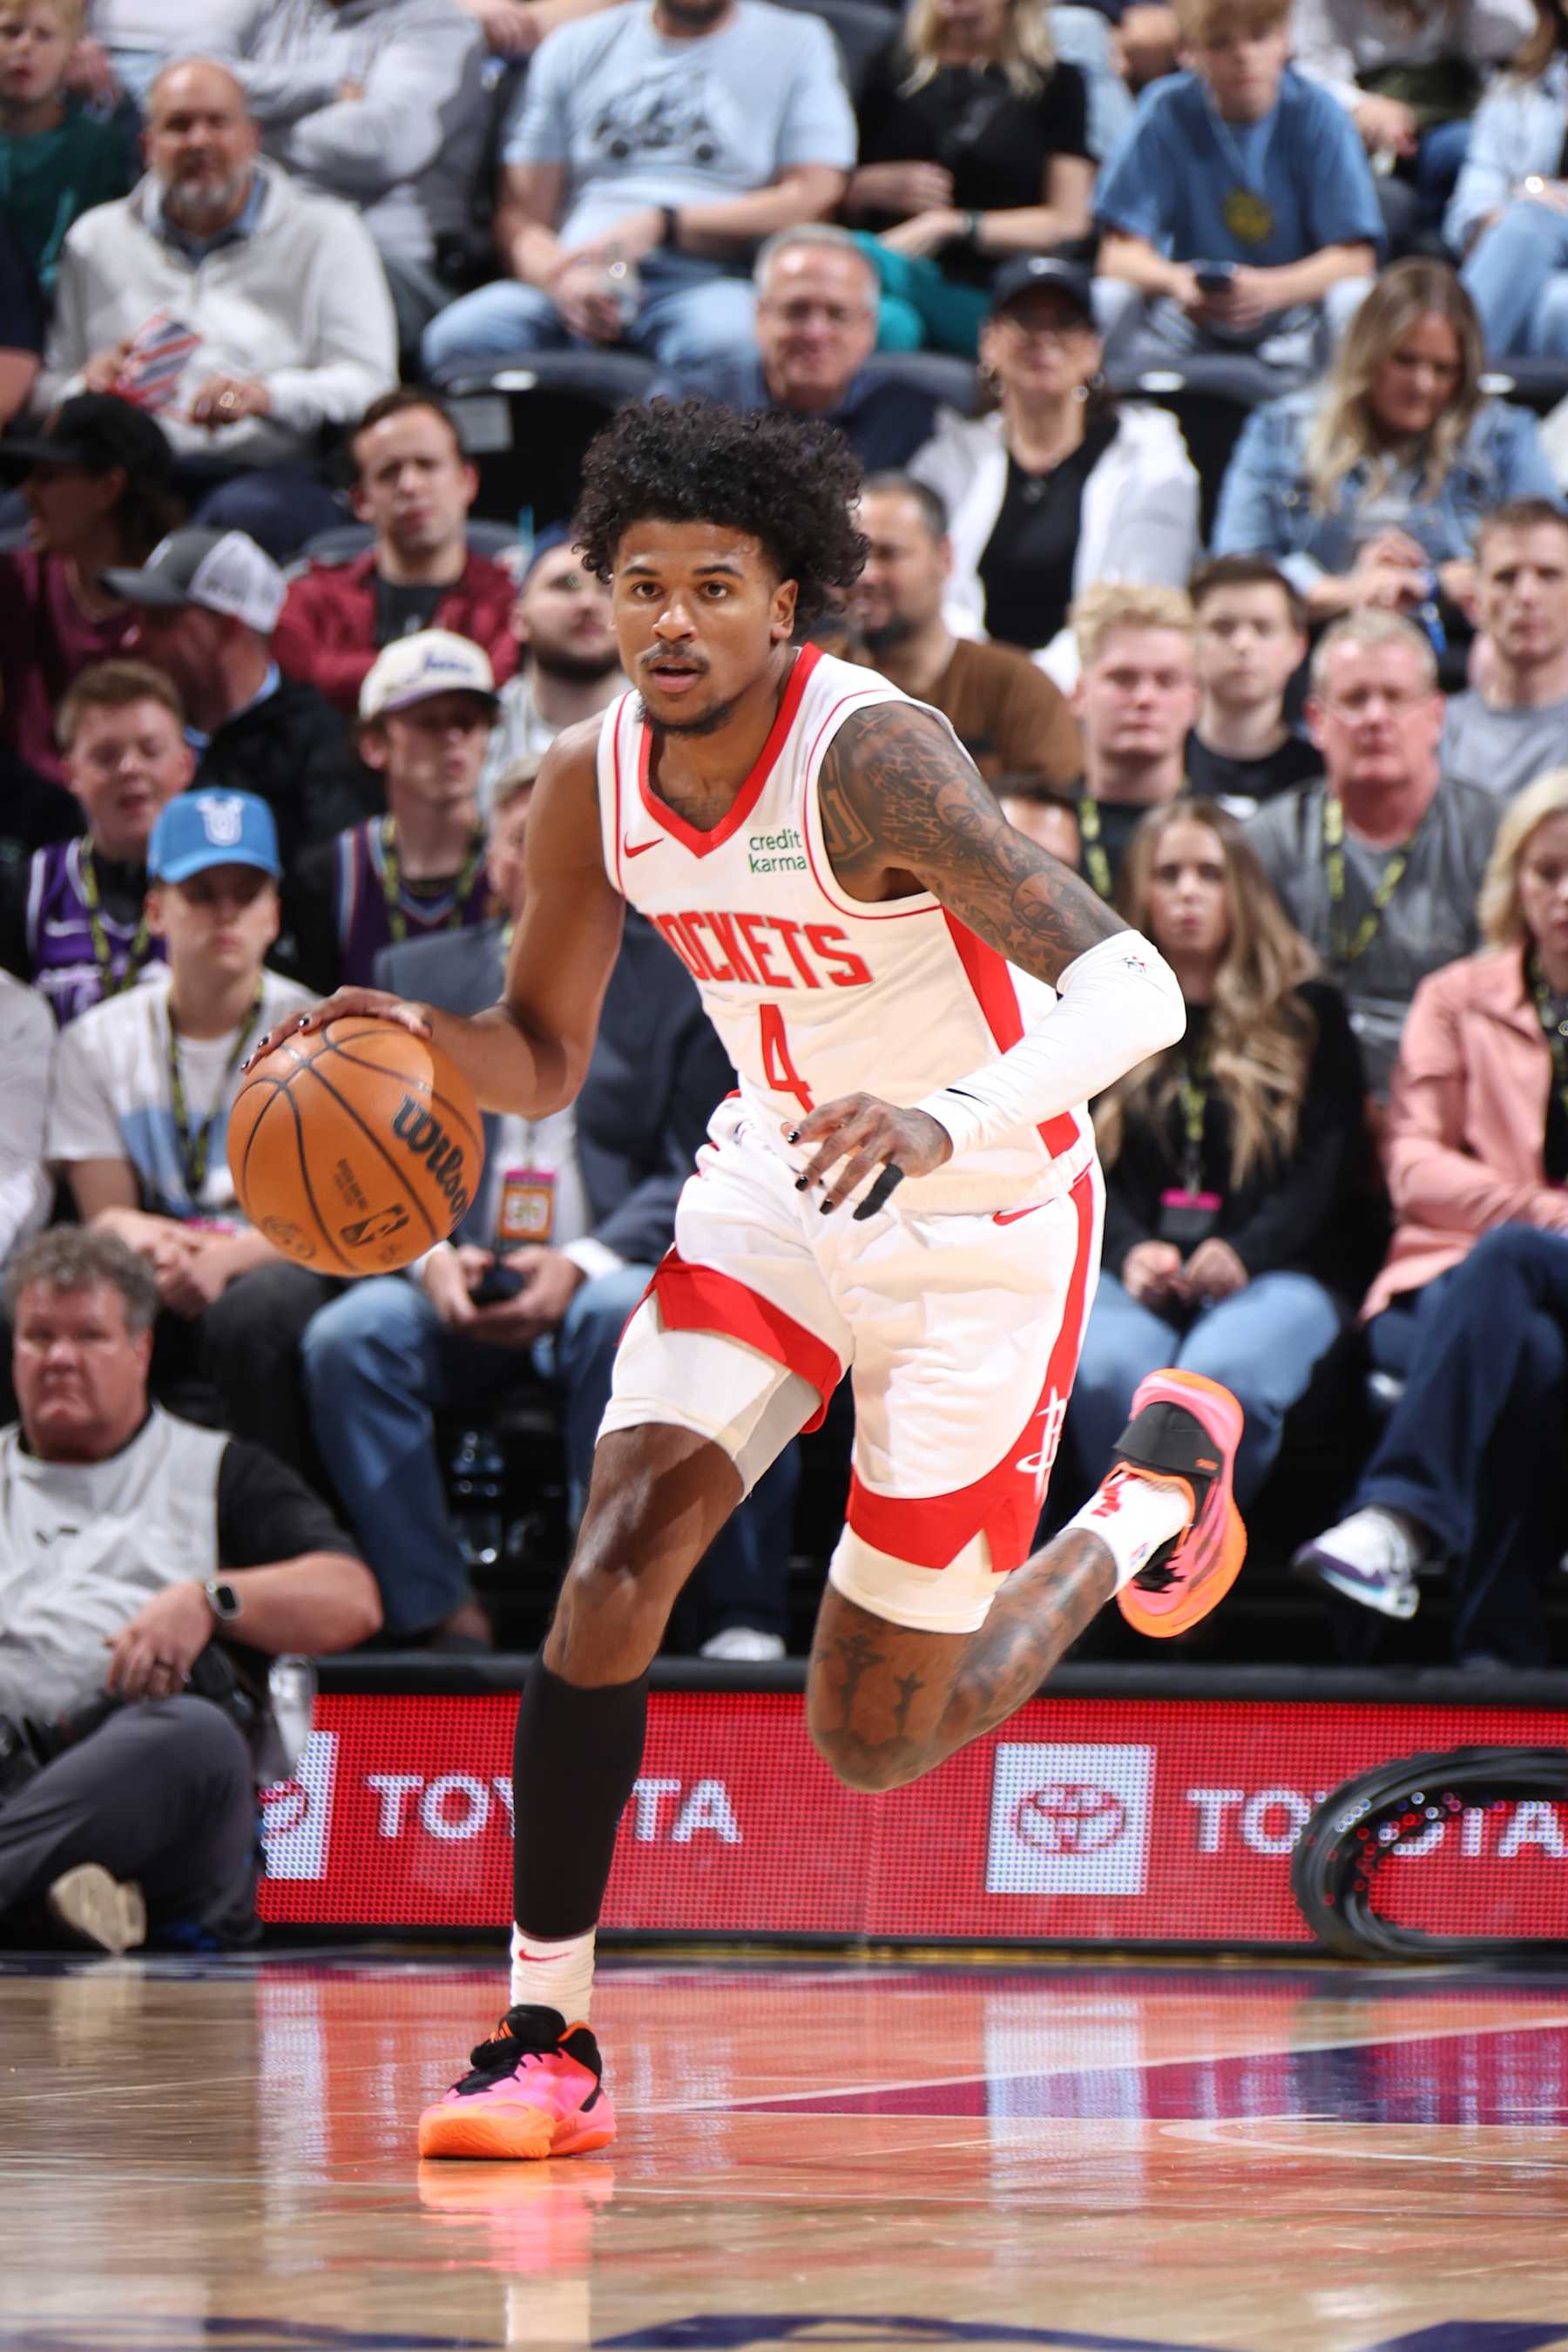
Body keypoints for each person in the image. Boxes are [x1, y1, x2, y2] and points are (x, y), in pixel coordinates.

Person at [272, 395, 1246, 2161]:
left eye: (712, 587)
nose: (667, 621)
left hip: (987, 1215)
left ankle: (1143, 1508)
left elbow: (1133, 993)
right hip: (780, 1187)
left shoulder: (874, 760)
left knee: (875, 1739)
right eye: (639, 584)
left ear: (787, 605)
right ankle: (542, 2039)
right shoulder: (593, 787)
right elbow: (545, 1054)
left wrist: (945, 1119)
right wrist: (420, 1043)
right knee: (615, 1556)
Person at [300, 759, 798, 1658]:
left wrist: (585, 1263)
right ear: (487, 861)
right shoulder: (412, 974)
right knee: (350, 1339)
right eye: (516, 842)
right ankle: (440, 1618)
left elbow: (704, 1156)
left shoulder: (684, 982)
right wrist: (429, 1253)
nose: (536, 863)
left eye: (562, 843)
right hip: (450, 1265)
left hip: (605, 1268)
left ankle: (596, 1611)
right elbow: (365, 1150)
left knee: (623, 1318)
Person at [0, 1226, 379, 1955]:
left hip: (141, 1777)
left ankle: (56, 1890)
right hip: (13, 1767)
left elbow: (352, 1598)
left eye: (88, 1336)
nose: (59, 1359)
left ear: (142, 1349)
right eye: (38, 1337)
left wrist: (210, 1601)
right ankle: (53, 1896)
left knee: (198, 1739)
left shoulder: (219, 1471)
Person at [1294, 769, 1568, 1667]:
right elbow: (1411, 1167)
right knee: (1528, 1353)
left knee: (1522, 1270)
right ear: (1515, 887)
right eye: (1546, 873)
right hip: (1445, 1284)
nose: (1563, 896)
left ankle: (1401, 1522)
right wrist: (1539, 1216)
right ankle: (1498, 1648)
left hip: (1526, 1268)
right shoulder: (1457, 996)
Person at [1069, 801, 1363, 1506]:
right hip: (1134, 1267)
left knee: (1211, 1381)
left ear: (1245, 892)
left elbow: (1323, 1170)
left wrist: (1244, 1252)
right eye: (1169, 874)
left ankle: (1186, 1577)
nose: (1189, 891)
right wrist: (1132, 1251)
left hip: (1280, 1268)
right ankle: (1136, 1577)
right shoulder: (1097, 1010)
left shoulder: (1309, 1012)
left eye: (1210, 873)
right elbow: (1074, 1159)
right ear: (1140, 891)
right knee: (1110, 1374)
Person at [46, 788, 331, 1477]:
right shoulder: (97, 1040)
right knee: (54, 1305)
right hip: (154, 1258)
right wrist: (162, 1244)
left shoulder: (325, 1036)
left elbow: (335, 1219)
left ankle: (274, 1526)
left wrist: (225, 1261)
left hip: (276, 1257)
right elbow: (106, 1210)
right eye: (201, 892)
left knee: (249, 1319)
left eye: (246, 892)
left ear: (275, 913)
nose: (226, 912)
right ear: (156, 910)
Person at [37, 57, 396, 559]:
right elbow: (47, 388)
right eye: (178, 125)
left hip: (264, 470)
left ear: (251, 138)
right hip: (121, 477)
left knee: (239, 523)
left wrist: (264, 396)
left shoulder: (327, 233)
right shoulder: (95, 240)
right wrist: (88, 388)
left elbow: (369, 383)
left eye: (217, 123)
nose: (199, 140)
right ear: (147, 147)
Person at [419, 0, 856, 382]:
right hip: (578, 272)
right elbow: (519, 216)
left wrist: (665, 224)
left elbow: (814, 195)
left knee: (732, 346)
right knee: (457, 340)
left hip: (706, 279)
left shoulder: (796, 41)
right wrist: (561, 278)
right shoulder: (576, 44)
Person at [1211, 261, 1560, 631]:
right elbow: (1237, 568)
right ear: (1368, 353)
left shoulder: (1504, 436)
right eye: (1405, 361)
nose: (1422, 384)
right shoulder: (1281, 430)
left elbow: (1548, 559)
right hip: (1313, 640)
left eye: (1442, 369)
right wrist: (1347, 590)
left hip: (1463, 642)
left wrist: (1429, 584)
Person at [909, 255, 1200, 687]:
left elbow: (1141, 596)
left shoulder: (1153, 456)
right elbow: (926, 586)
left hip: (1091, 690)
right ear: (989, 342)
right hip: (961, 688)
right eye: (1024, 321)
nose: (1044, 339)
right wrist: (985, 678)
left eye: (1065, 323)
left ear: (1094, 350)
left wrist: (1038, 688)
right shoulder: (949, 455)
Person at [1247, 611, 1498, 1098]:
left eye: (1396, 697)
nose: (1376, 718)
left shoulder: (1494, 835)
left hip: (1458, 1089)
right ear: (1317, 720)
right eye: (1355, 699)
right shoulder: (1268, 840)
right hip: (1306, 1093)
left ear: (1436, 716)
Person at [1092, 0, 1382, 393]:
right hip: (1190, 316)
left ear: (1285, 39)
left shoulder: (1319, 112)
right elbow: (1118, 256)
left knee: (1354, 300)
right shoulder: (1165, 109)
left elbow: (1355, 259)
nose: (1243, 56)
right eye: (1220, 43)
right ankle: (1107, 436)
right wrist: (1179, 281)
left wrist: (1270, 289)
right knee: (1107, 298)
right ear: (1188, 52)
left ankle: (1341, 438)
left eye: (1258, 37)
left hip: (1292, 319)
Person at [220, 0, 489, 366]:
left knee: (257, 331)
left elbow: (379, 145)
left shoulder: (438, 25)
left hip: (391, 259)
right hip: (262, 242)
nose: (204, 137)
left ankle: (246, 401)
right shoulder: (271, 10)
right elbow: (187, 76)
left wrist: (246, 134)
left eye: (219, 127)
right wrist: (327, 90)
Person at [102, 526, 375, 868]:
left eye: (160, 620)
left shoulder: (317, 743)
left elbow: (332, 881)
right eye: (135, 617)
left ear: (230, 627)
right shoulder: (131, 735)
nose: (132, 637)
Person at [842, 0, 1093, 359]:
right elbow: (834, 188)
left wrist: (952, 225)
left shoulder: (1056, 85)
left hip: (986, 290)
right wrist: (864, 187)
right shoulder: (889, 68)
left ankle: (850, 265)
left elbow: (1068, 222)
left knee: (847, 257)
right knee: (892, 326)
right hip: (887, 287)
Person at [274, 389, 521, 720]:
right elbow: (301, 671)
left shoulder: (510, 597)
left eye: (427, 465)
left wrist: (351, 673)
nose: (410, 484)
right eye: (389, 472)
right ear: (361, 500)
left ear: (467, 481)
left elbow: (496, 680)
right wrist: (445, 673)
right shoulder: (310, 597)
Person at [844, 471, 1082, 792]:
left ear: (944, 559)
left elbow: (1055, 829)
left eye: (889, 554)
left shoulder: (1019, 690)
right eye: (854, 555)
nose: (867, 576)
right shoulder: (802, 681)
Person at [287, 632, 496, 995]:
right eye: (429, 722)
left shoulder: (517, 862)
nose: (452, 738)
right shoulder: (329, 875)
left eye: (467, 722)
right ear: (373, 745)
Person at [648, 226, 947, 472]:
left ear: (869, 327)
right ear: (760, 316)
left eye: (837, 314)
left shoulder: (905, 415)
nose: (816, 333)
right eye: (796, 311)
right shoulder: (689, 409)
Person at [0, 390, 181, 786]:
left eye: (47, 477)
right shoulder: (14, 580)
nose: (27, 494)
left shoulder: (175, 610)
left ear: (108, 487)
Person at [0, 659, 191, 1025]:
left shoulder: (226, 884)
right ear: (70, 773)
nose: (130, 768)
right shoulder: (32, 888)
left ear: (186, 764)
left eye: (150, 751)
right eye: (106, 756)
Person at [1292, 0, 1534, 250]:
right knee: (1388, 203)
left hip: (1447, 119)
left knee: (1463, 149)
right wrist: (1358, 105)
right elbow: (1310, 72)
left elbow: (1518, 37)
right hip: (1363, 134)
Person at [1064, 583, 1202, 903]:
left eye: (1166, 680)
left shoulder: (1227, 840)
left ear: (1196, 702)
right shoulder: (1041, 835)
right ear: (1079, 694)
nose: (1144, 698)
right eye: (1123, 678)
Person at [0, 0, 132, 297]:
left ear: (73, 53)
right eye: (10, 32)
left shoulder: (98, 149)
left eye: (44, 35)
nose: (25, 47)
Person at [1442, 501, 1568, 801]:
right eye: (1506, 576)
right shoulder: (1435, 733)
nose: (1527, 595)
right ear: (1473, 602)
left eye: (1549, 574)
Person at [486, 528, 625, 782]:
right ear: (518, 619)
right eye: (566, 584)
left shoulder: (667, 730)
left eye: (607, 589)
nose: (588, 603)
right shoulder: (480, 730)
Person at [1186, 556, 1319, 811]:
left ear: (1298, 646)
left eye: (1263, 628)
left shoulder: (1324, 779)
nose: (1243, 644)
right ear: (1190, 640)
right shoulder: (1162, 765)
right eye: (1222, 628)